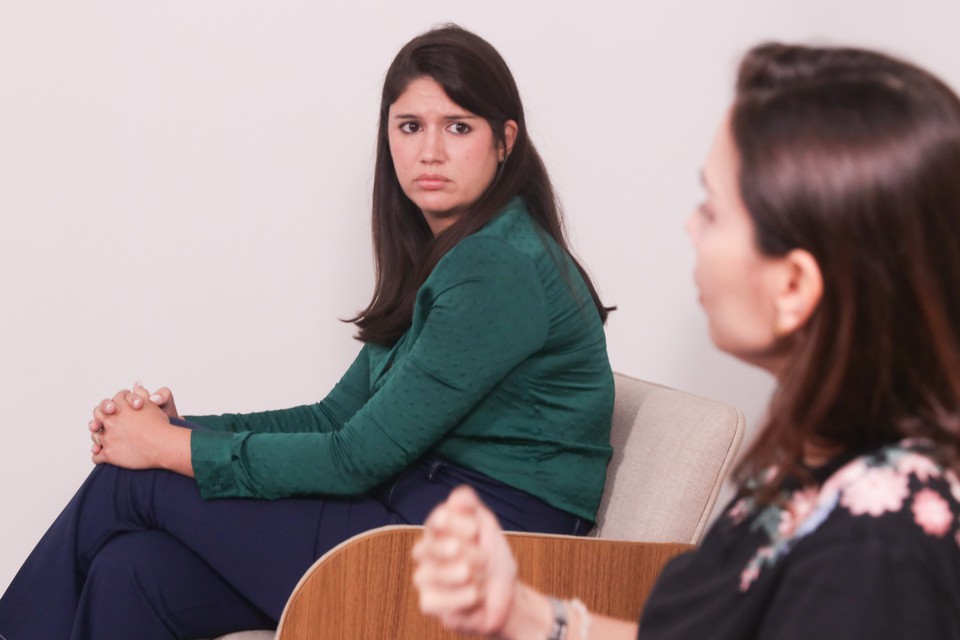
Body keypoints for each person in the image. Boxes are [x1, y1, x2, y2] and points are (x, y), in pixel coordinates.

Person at [0, 25, 615, 640]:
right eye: (410, 127)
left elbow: (353, 459)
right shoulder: (452, 257)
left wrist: (164, 448)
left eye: (458, 127)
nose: (430, 152)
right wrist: (183, 432)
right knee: (131, 570)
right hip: (403, 526)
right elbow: (332, 419)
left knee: (128, 482)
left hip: (463, 569)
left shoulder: (495, 267)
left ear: (505, 141)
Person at [412, 42, 960, 639]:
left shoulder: (877, 553)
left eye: (714, 210)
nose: (691, 228)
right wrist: (528, 615)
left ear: (794, 284)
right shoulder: (822, 463)